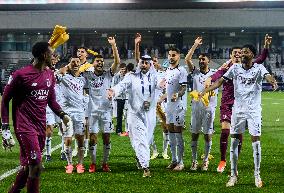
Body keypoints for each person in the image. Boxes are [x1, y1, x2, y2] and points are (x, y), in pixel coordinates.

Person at [200, 44, 278, 188]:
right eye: (241, 52)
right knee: (234, 141)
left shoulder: (259, 68)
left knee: (256, 142)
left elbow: (268, 76)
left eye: (246, 52)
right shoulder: (235, 68)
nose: (242, 54)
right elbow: (220, 81)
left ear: (252, 55)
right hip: (238, 110)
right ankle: (233, 175)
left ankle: (257, 175)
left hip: (254, 111)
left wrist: (272, 81)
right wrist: (206, 90)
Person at [1, 42, 71, 193]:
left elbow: (51, 100)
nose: (54, 57)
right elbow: (5, 100)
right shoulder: (20, 75)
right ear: (44, 55)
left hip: (40, 126)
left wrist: (63, 115)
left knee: (29, 167)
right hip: (24, 126)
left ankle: (13, 191)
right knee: (36, 165)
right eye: (52, 53)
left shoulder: (49, 74)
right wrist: (5, 128)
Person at [107, 54, 163, 177]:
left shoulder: (155, 76)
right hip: (135, 114)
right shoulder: (131, 76)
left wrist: (162, 85)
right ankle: (146, 167)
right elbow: (121, 86)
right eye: (142, 62)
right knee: (140, 140)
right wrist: (113, 91)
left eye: (146, 63)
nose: (143, 65)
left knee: (146, 140)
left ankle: (140, 157)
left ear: (150, 65)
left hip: (150, 115)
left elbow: (160, 84)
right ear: (139, 64)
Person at [84, 37, 120, 173]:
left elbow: (117, 62)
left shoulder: (108, 74)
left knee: (106, 137)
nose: (100, 63)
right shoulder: (88, 75)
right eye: (98, 61)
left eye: (102, 61)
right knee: (92, 138)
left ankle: (105, 163)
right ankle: (93, 163)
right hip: (92, 112)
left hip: (106, 112)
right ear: (93, 63)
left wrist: (113, 45)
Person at [185, 37, 218, 171]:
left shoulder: (215, 74)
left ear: (208, 61)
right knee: (194, 134)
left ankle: (205, 161)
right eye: (199, 59)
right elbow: (187, 59)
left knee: (207, 134)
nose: (200, 61)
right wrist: (195, 45)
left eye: (203, 59)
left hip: (209, 109)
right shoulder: (195, 72)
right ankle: (194, 161)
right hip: (196, 109)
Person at [58, 57, 87, 174]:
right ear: (69, 64)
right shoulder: (64, 77)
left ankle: (80, 164)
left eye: (77, 62)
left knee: (80, 139)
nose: (75, 64)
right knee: (68, 139)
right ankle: (69, 164)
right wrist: (66, 67)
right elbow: (57, 73)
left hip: (80, 112)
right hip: (67, 112)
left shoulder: (83, 79)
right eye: (73, 62)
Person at [164, 47, 187, 171]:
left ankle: (181, 162)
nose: (171, 57)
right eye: (169, 55)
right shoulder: (167, 70)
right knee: (170, 133)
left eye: (174, 55)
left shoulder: (182, 70)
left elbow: (183, 88)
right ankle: (174, 160)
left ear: (179, 56)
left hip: (179, 106)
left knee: (178, 133)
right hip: (169, 107)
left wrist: (177, 95)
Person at [112, 63, 128, 136]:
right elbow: (113, 86)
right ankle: (119, 130)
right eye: (121, 69)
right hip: (119, 98)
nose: (123, 71)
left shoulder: (128, 76)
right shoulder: (116, 76)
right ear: (119, 69)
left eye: (124, 69)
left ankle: (127, 130)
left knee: (127, 115)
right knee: (119, 115)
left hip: (127, 97)